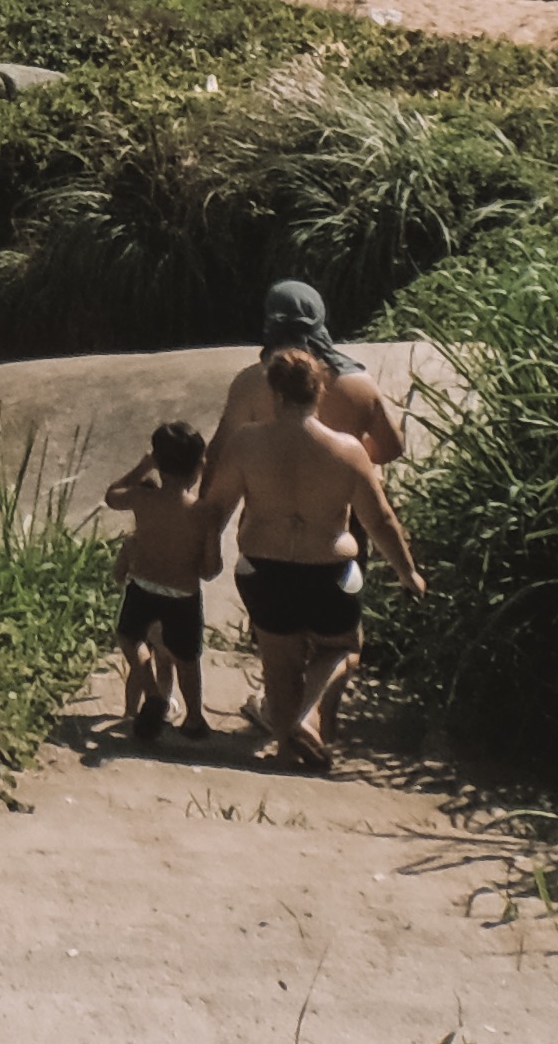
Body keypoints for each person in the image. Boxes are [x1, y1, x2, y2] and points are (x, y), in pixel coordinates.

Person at [197, 349, 423, 773]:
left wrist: (207, 555)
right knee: (345, 648)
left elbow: (217, 507)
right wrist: (407, 571)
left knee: (278, 665)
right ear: (320, 392)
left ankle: (287, 753)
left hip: (262, 572)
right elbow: (381, 521)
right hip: (331, 574)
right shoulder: (349, 450)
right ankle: (310, 713)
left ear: (275, 394)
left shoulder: (247, 442)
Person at [101, 420, 219, 743]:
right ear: (198, 467)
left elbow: (112, 496)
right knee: (186, 659)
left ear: (158, 462)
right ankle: (194, 719)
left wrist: (142, 466)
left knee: (130, 639)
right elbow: (211, 569)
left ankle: (153, 693)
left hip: (143, 586)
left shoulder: (142, 497)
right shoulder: (203, 514)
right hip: (183, 594)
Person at [214, 278, 404, 463]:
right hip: (340, 492)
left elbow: (218, 454)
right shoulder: (360, 383)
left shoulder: (249, 384)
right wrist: (351, 452)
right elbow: (391, 449)